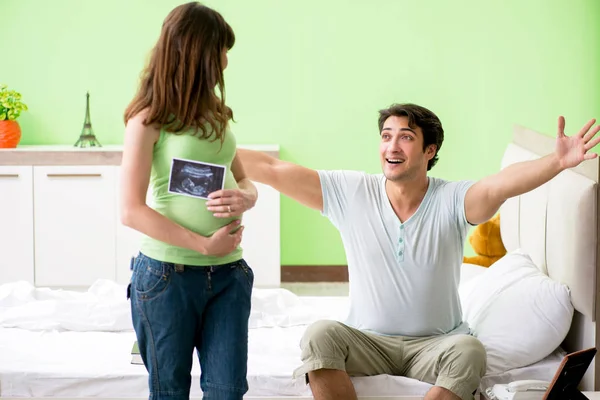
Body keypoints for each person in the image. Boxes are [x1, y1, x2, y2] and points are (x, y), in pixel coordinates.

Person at [237, 103, 600, 400]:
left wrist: (556, 162)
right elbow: (272, 168)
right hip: (367, 341)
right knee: (319, 335)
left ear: (430, 151)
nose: (392, 146)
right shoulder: (351, 193)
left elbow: (499, 186)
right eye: (386, 136)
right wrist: (211, 148)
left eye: (406, 138)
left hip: (436, 344)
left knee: (470, 351)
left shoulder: (451, 199)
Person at [120, 3, 257, 400]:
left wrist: (245, 197)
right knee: (169, 393)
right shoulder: (148, 118)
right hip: (167, 277)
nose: (226, 61)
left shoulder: (217, 113)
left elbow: (245, 179)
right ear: (194, 51)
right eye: (220, 50)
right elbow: (130, 209)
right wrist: (203, 244)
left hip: (229, 276)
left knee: (228, 392)